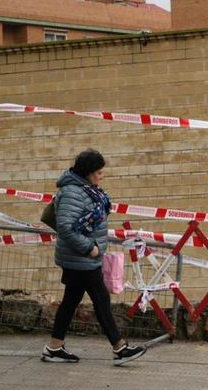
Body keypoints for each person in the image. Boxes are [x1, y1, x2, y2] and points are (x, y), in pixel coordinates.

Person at [41, 149, 146, 366]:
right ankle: (119, 348)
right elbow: (66, 228)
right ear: (88, 172)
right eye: (99, 172)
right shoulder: (72, 192)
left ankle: (54, 347)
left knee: (71, 301)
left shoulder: (86, 189)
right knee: (101, 300)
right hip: (81, 258)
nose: (102, 176)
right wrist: (91, 249)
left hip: (82, 258)